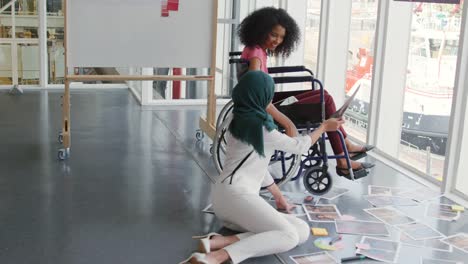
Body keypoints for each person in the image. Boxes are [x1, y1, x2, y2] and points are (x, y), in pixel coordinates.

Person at [180, 71, 345, 264]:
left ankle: (218, 242)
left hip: (226, 198)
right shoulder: (261, 128)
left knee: (301, 230)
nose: (271, 99)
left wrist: (279, 197)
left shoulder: (237, 117)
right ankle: (216, 257)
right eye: (269, 95)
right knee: (288, 236)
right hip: (237, 197)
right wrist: (324, 127)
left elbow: (257, 165)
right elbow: (299, 146)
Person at [237, 7, 374, 176]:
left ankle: (345, 148)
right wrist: (287, 122)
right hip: (269, 107)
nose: (277, 41)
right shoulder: (256, 56)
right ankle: (343, 156)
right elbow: (257, 97)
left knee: (325, 97)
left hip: (271, 100)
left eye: (281, 37)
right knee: (326, 101)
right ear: (261, 30)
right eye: (273, 35)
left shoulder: (256, 49)